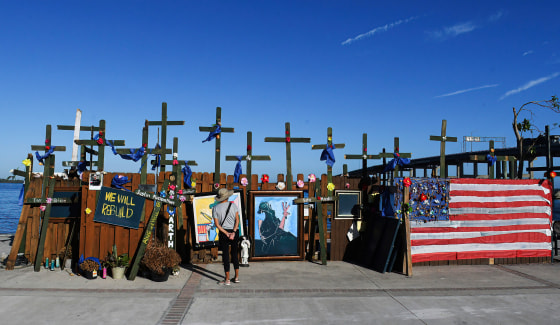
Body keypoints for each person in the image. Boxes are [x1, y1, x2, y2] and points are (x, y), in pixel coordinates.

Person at [213, 188, 240, 285]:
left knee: (225, 255)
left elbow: (217, 224)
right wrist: (233, 232)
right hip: (234, 232)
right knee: (234, 254)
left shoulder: (215, 208)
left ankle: (227, 279)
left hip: (224, 233)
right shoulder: (233, 205)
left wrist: (226, 233)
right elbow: (237, 220)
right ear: (227, 196)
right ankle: (236, 277)